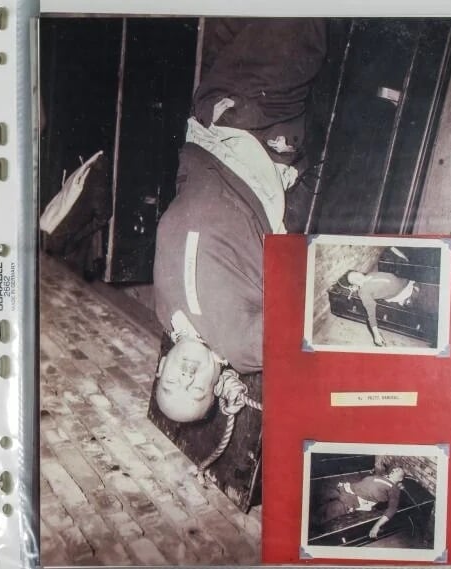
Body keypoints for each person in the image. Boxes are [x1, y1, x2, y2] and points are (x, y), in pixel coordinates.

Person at [152, 19, 326, 421]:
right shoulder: (243, 348)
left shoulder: (166, 316)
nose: (186, 377)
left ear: (161, 367)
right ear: (214, 389)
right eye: (196, 391)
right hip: (256, 141)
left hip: (207, 126)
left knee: (227, 21)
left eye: (172, 383)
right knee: (295, 24)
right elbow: (308, 321)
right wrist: (236, 372)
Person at [342, 269, 440, 347]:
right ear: (353, 284)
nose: (356, 278)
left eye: (356, 274)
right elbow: (370, 313)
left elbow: (368, 281)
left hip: (413, 284)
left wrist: (357, 286)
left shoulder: (370, 275)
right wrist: (376, 335)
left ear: (359, 272)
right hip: (411, 296)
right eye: (353, 280)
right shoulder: (363, 292)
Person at [312, 467, 405, 539]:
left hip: (351, 500)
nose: (394, 469)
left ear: (400, 478)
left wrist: (377, 526)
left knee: (325, 512)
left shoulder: (394, 489)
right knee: (319, 496)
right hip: (344, 488)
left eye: (398, 470)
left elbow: (392, 509)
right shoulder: (382, 477)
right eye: (395, 468)